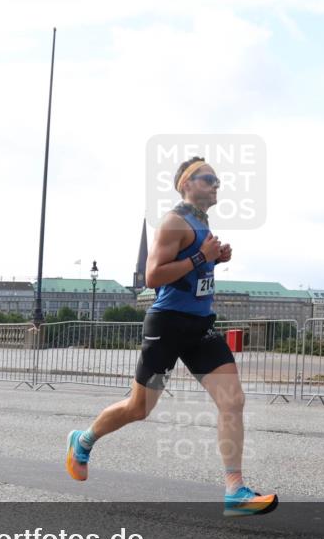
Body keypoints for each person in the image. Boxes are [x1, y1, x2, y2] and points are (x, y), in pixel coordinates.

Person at [64, 157, 277, 517]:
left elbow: (191, 275)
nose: (215, 185)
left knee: (232, 401)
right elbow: (153, 275)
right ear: (186, 184)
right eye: (208, 178)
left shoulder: (201, 224)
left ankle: (235, 490)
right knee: (139, 408)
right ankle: (83, 441)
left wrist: (214, 260)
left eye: (217, 180)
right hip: (167, 327)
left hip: (200, 328)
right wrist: (199, 258)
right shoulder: (173, 222)